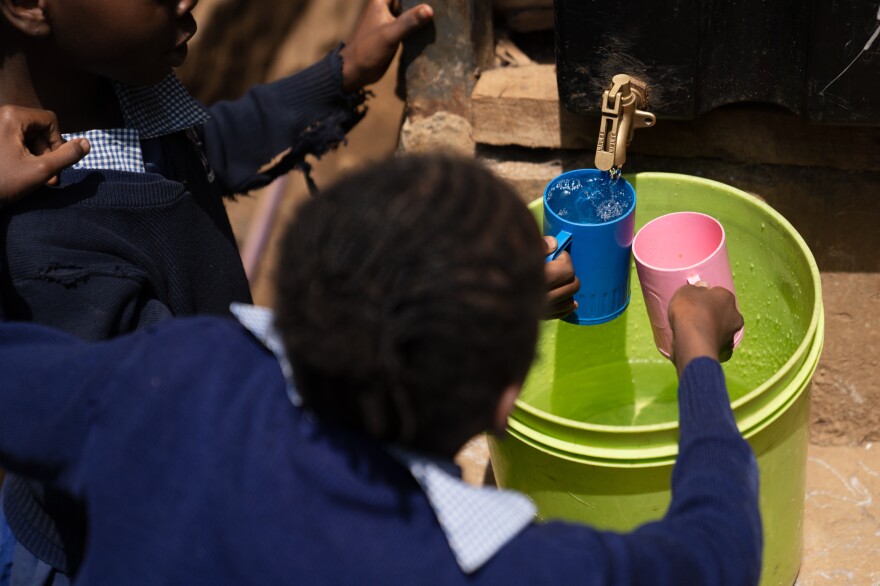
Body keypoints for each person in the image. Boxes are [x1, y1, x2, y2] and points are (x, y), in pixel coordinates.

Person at [0, 154, 759, 585]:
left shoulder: (176, 373)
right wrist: (696, 358)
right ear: (502, 403)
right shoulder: (483, 566)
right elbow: (716, 552)